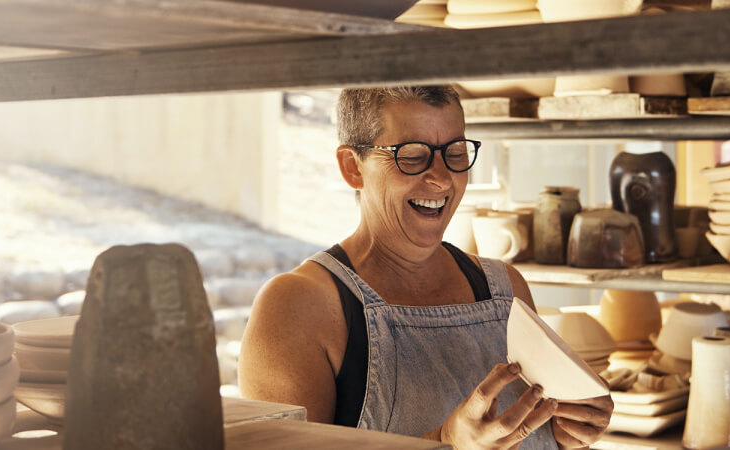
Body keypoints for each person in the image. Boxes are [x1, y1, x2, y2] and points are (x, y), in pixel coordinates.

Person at [239, 85, 613, 449]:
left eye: (454, 151)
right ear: (352, 167)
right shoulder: (297, 306)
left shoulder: (505, 287)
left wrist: (565, 436)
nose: (441, 177)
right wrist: (444, 444)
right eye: (413, 155)